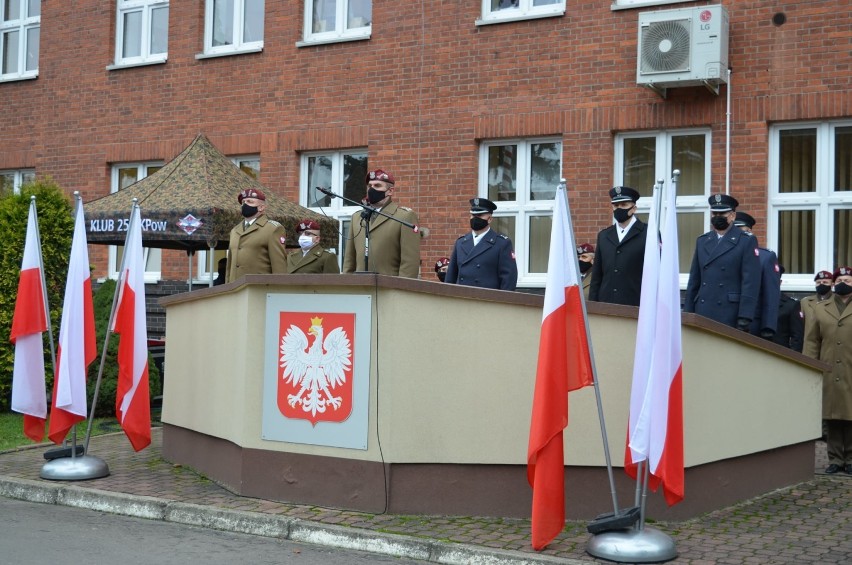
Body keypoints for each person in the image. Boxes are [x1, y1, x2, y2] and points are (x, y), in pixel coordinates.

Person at [684, 194, 761, 329]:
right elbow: (694, 280)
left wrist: (745, 316)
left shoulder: (746, 241)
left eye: (722, 213)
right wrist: (688, 312)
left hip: (729, 312)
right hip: (703, 309)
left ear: (732, 216)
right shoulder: (702, 241)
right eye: (714, 213)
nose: (717, 217)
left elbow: (750, 282)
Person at [803, 266, 852, 475]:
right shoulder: (821, 308)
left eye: (848, 280)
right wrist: (809, 366)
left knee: (850, 415)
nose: (843, 283)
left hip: (850, 368)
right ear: (833, 283)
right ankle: (835, 459)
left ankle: (850, 459)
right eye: (840, 279)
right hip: (829, 368)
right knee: (831, 416)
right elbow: (812, 340)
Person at [342, 169, 421, 278]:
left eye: (377, 185)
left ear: (390, 191)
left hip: (389, 290)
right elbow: (349, 261)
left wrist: (401, 292)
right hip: (359, 288)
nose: (372, 189)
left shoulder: (404, 216)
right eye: (370, 186)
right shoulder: (357, 217)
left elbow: (409, 262)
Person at [589, 186, 646, 306]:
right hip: (606, 305)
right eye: (616, 206)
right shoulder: (604, 236)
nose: (619, 209)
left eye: (624, 205)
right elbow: (596, 276)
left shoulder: (648, 234)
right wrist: (593, 306)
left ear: (634, 208)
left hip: (636, 306)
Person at [445, 197, 518, 291]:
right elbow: (451, 276)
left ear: (490, 219)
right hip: (462, 299)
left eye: (479, 215)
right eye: (472, 215)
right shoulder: (460, 242)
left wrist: (502, 304)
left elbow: (509, 279)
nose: (475, 218)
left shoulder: (502, 243)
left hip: (487, 301)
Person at [733, 212, 781, 338]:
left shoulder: (765, 257)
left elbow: (771, 294)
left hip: (752, 323)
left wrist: (768, 327)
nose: (736, 233)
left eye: (739, 228)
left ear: (749, 231)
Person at [226, 188, 288, 283]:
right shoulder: (234, 231)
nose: (245, 205)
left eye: (250, 202)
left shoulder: (272, 229)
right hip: (236, 291)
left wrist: (277, 292)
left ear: (261, 207)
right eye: (243, 202)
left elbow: (279, 267)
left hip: (259, 289)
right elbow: (229, 266)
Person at [771, 266, 804, 352]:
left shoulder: (791, 305)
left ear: (780, 282)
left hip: (780, 357)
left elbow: (797, 338)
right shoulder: (755, 302)